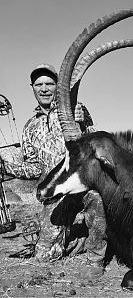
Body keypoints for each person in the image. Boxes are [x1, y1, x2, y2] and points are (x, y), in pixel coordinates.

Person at [0, 64, 106, 273]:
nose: (44, 88)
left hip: (81, 186)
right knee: (44, 257)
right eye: (39, 84)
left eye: (49, 83)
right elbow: (33, 168)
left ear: (57, 86)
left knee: (97, 199)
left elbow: (95, 142)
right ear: (32, 87)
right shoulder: (30, 126)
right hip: (56, 195)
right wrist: (6, 167)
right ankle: (81, 238)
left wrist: (83, 121)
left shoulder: (74, 109)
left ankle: (96, 258)